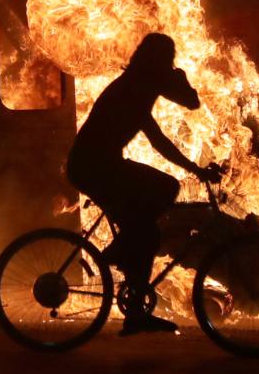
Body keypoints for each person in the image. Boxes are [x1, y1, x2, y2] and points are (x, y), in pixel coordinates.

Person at [67, 32, 221, 336]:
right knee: (162, 195)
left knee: (145, 233)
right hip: (93, 168)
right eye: (168, 59)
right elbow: (166, 134)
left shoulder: (139, 85)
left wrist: (194, 168)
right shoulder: (135, 89)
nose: (171, 65)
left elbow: (187, 106)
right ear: (157, 62)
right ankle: (120, 250)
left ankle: (134, 305)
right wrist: (195, 170)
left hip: (102, 165)